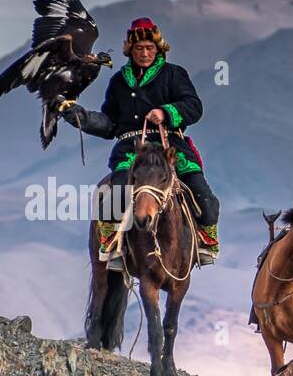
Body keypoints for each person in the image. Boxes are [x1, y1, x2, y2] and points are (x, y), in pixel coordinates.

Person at [58, 16, 221, 268]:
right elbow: (111, 124)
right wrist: (81, 118)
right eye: (138, 48)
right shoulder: (118, 82)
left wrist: (166, 113)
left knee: (204, 196)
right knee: (114, 196)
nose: (144, 53)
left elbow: (194, 107)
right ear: (129, 50)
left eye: (149, 48)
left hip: (170, 149)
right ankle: (113, 249)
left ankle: (205, 242)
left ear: (158, 49)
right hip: (131, 152)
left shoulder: (174, 75)